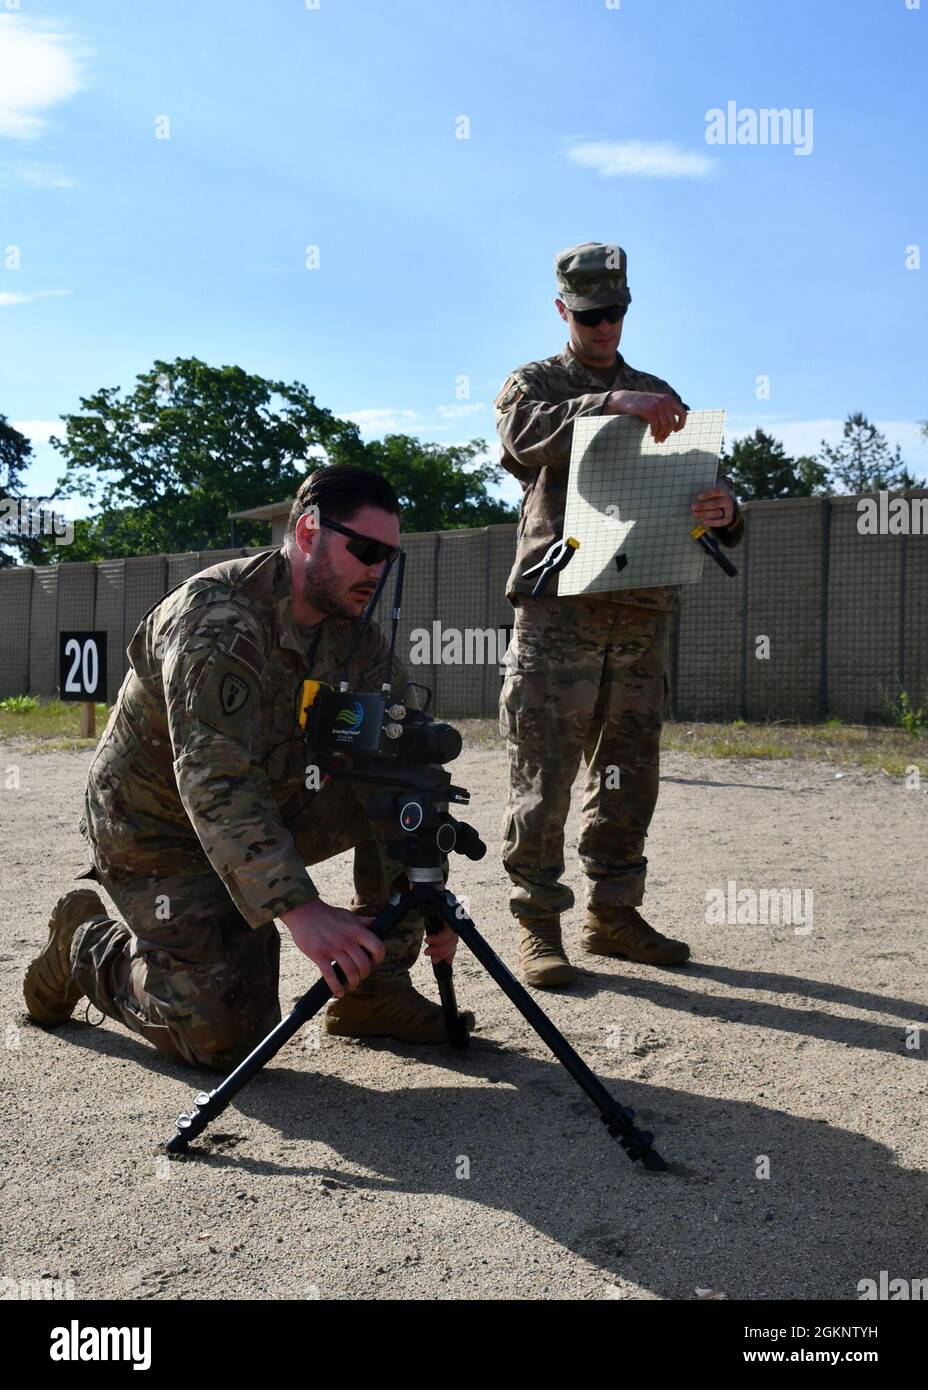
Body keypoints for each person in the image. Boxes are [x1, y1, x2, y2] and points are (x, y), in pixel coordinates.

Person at [24, 465, 472, 1070]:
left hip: (262, 805)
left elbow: (405, 760)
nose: (377, 569)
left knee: (394, 783)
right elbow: (212, 775)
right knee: (224, 1036)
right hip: (157, 831)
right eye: (365, 549)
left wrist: (429, 892)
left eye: (389, 556)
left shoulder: (354, 633)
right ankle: (85, 944)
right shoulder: (220, 618)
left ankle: (377, 989)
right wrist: (299, 908)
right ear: (308, 532)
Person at [496, 242, 744, 989]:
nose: (605, 326)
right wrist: (608, 404)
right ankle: (540, 926)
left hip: (641, 610)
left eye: (616, 312)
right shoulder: (536, 382)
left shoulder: (658, 390)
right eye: (590, 314)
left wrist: (726, 511)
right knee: (544, 772)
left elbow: (703, 484)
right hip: (561, 607)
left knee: (629, 772)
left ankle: (614, 916)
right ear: (562, 310)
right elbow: (520, 441)